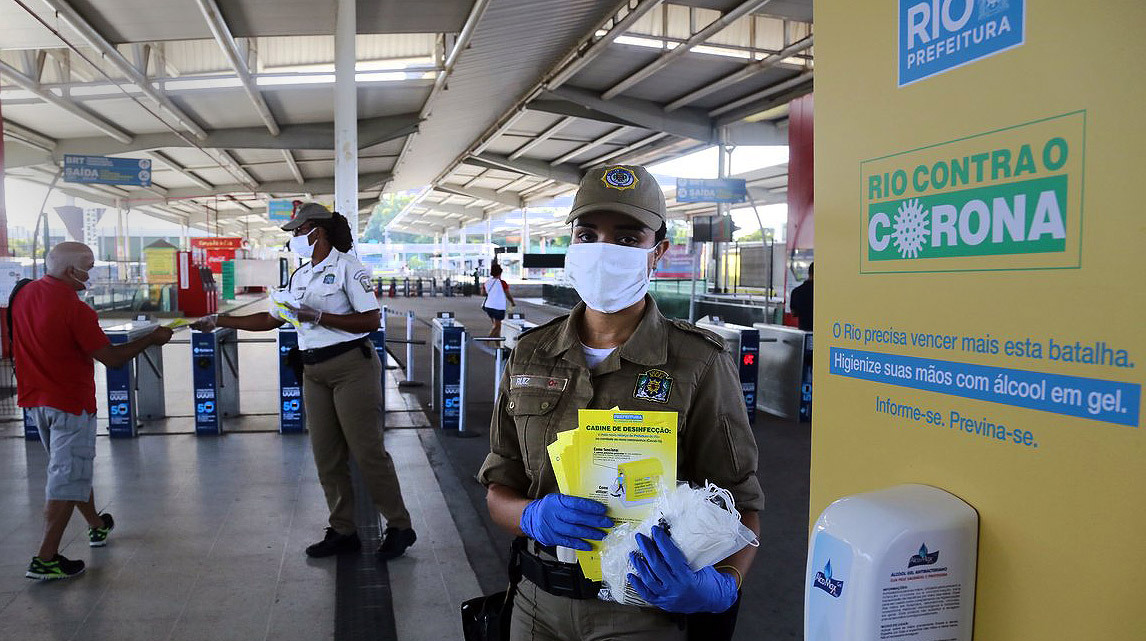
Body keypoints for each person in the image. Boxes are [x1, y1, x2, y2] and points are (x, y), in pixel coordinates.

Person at [478, 165, 764, 640]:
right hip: (535, 602)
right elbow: (498, 486)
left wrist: (722, 584)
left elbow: (741, 501)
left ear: (658, 254)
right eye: (587, 235)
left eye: (628, 240)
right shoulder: (531, 353)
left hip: (640, 611)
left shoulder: (698, 363)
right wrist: (531, 516)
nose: (603, 251)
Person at [191, 203, 417, 561]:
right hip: (313, 372)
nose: (294, 238)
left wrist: (319, 316)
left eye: (298, 231)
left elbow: (371, 321)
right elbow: (271, 319)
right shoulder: (299, 277)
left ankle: (400, 525)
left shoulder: (348, 268)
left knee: (367, 451)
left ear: (317, 231)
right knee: (326, 455)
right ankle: (343, 530)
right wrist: (219, 320)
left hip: (351, 368)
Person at [12, 242, 173, 580]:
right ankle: (46, 558)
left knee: (71, 468)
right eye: (90, 265)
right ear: (72, 271)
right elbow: (112, 359)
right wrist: (151, 338)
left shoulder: (24, 294)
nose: (94, 273)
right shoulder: (76, 309)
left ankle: (96, 525)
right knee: (66, 476)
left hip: (36, 401)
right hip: (71, 404)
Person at [482, 262, 515, 338]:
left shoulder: (487, 282)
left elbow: (483, 293)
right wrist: (512, 302)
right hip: (498, 307)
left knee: (496, 326)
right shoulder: (503, 283)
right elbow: (508, 295)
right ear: (500, 272)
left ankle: (498, 345)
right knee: (497, 327)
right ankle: (487, 342)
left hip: (488, 307)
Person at [789, 262, 813, 331]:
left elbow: (794, 313)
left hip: (803, 330)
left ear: (809, 273)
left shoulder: (796, 291)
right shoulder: (822, 292)